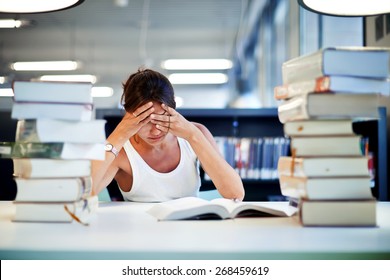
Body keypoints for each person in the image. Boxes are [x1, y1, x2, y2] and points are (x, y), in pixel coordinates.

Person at [92, 68, 244, 202]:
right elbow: (85, 194)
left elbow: (235, 194)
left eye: (162, 119)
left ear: (173, 111)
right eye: (145, 122)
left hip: (189, 229)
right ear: (129, 116)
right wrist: (118, 135)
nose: (156, 131)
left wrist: (193, 135)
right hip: (140, 231)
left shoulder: (196, 134)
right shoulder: (119, 150)